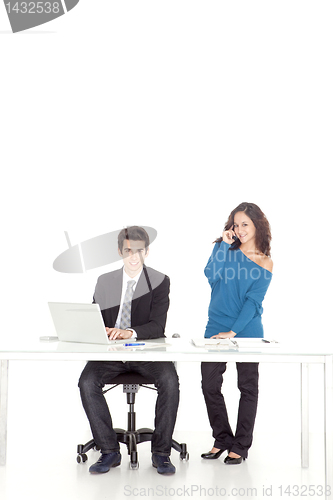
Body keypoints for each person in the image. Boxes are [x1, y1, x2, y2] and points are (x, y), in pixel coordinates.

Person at [78, 226, 179, 475]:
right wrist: (101, 330)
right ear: (120, 252)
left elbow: (157, 325)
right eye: (128, 251)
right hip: (112, 353)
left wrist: (129, 332)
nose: (134, 257)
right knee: (87, 381)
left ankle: (161, 453)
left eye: (139, 251)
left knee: (170, 380)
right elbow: (94, 317)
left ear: (147, 252)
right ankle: (109, 450)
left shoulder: (159, 281)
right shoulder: (105, 281)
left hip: (146, 351)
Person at [201, 202, 273, 464]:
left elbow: (253, 302)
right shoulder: (224, 249)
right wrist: (223, 243)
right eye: (236, 224)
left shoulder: (265, 262)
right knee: (209, 385)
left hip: (247, 329)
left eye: (245, 224)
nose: (240, 229)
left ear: (257, 226)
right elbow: (211, 275)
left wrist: (233, 331)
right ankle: (222, 438)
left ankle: (240, 446)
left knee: (247, 387)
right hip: (215, 326)